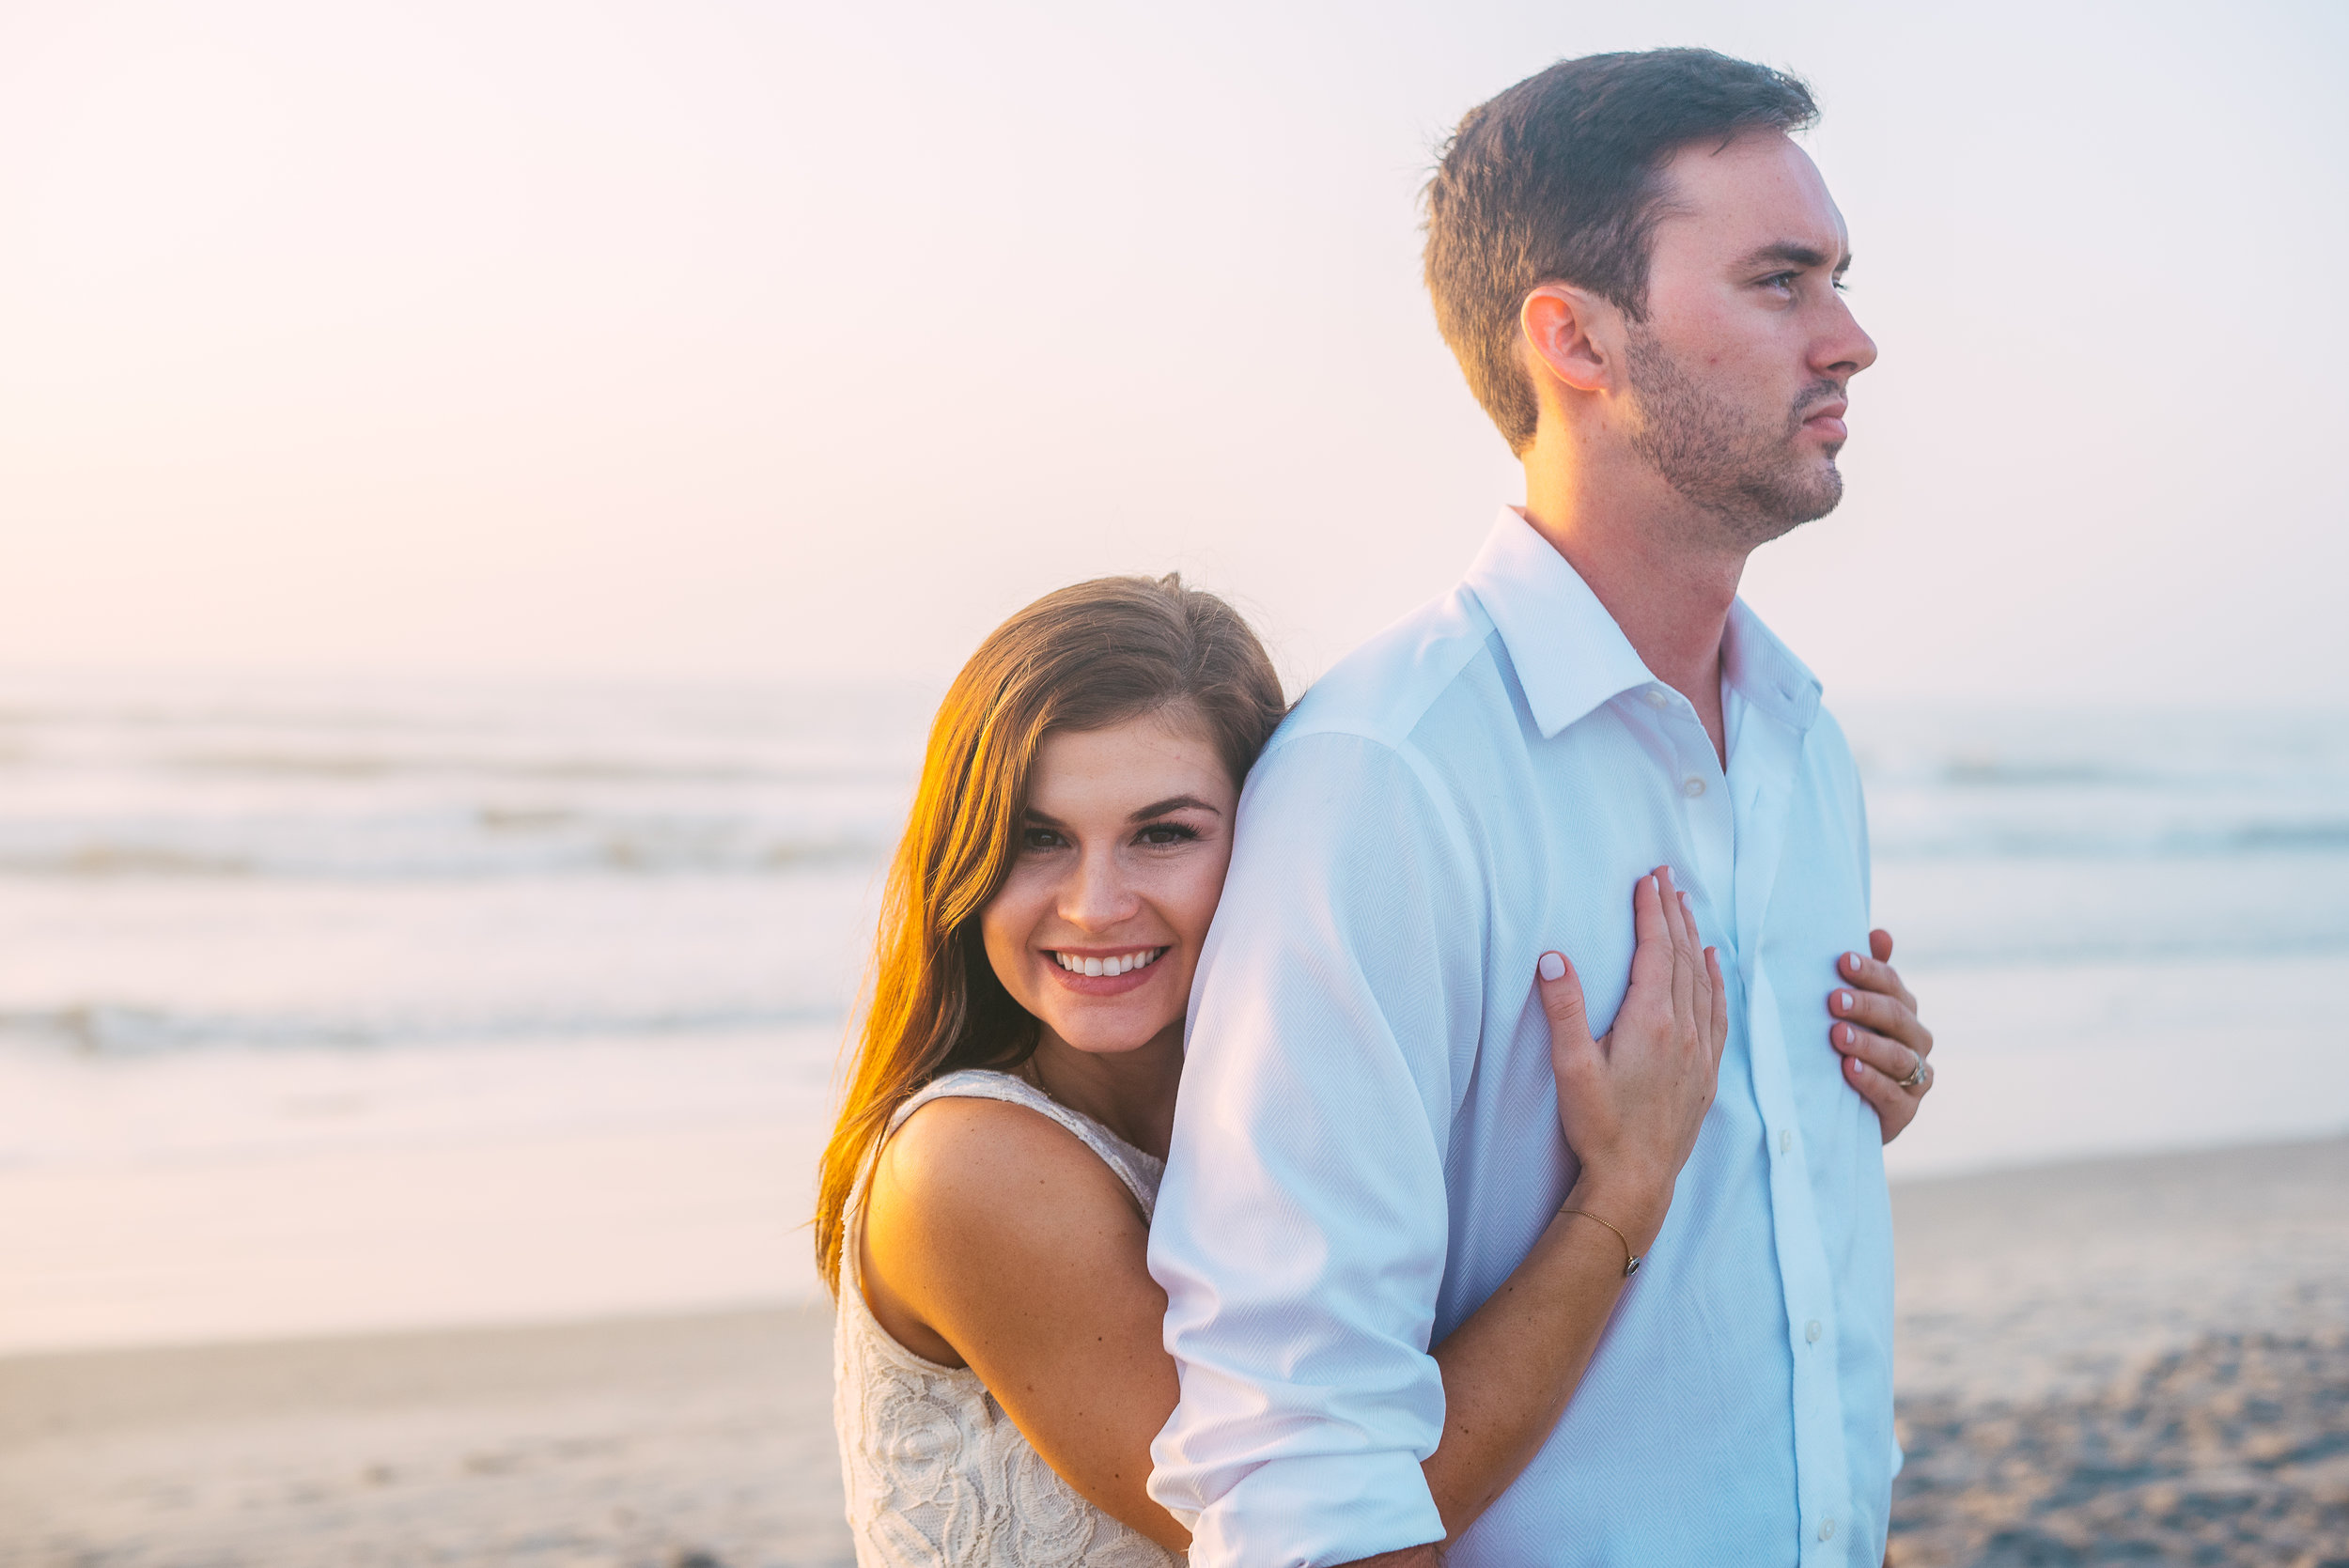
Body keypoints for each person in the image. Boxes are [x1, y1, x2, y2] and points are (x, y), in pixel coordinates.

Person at [1144, 48, 1937, 1567]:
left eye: (1838, 277)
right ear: (1573, 338)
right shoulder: (1388, 778)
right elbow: (1298, 1456)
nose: (1852, 340)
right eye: (1782, 282)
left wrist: (1825, 1101)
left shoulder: (1803, 745)